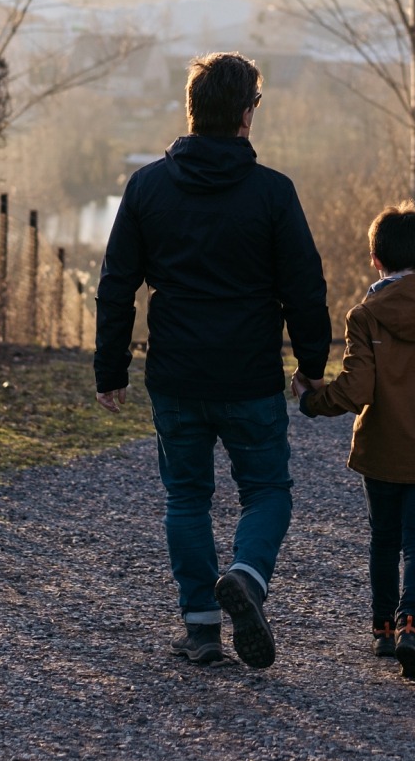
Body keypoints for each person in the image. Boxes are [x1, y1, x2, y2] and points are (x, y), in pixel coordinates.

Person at [94, 52, 331, 669]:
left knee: (186, 498)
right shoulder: (274, 194)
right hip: (250, 374)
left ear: (191, 110)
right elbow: (305, 287)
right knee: (267, 491)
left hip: (176, 374)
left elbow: (118, 282)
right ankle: (247, 578)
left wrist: (111, 369)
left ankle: (201, 627)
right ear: (248, 114)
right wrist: (311, 363)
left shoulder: (147, 186)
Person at [295, 203, 415, 679]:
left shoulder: (364, 316)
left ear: (374, 259)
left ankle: (383, 628)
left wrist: (310, 399)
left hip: (380, 451)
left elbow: (356, 387)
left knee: (383, 540)